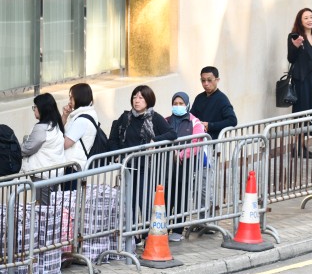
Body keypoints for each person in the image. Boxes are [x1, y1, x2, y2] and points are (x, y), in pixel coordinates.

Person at [108, 85, 176, 245]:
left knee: (143, 200)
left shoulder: (155, 118)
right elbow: (113, 138)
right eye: (134, 97)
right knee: (127, 201)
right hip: (127, 166)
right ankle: (131, 234)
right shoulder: (125, 118)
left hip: (145, 167)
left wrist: (155, 140)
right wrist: (117, 153)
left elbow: (172, 133)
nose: (136, 101)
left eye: (141, 98)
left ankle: (147, 233)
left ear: (148, 100)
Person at [164, 92, 205, 242]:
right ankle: (163, 227)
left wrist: (181, 155)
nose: (178, 106)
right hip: (166, 167)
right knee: (166, 197)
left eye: (181, 104)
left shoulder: (194, 122)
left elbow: (196, 143)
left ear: (187, 105)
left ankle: (178, 229)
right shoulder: (166, 120)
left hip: (185, 167)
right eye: (175, 103)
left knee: (181, 197)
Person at [21, 93, 66, 203]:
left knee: (43, 209)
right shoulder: (55, 125)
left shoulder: (41, 128)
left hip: (42, 174)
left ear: (42, 108)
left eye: (35, 107)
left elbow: (27, 148)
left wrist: (21, 146)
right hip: (55, 174)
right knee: (51, 207)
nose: (34, 109)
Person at [287, 8, 312, 114]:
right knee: (302, 110)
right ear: (300, 21)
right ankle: (301, 131)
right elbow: (290, 58)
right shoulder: (294, 36)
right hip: (301, 79)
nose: (309, 20)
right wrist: (295, 46)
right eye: (306, 18)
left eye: (311, 17)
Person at [61, 83, 100, 169]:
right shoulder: (85, 114)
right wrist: (65, 116)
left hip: (73, 166)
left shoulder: (82, 120)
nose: (69, 100)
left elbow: (65, 144)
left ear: (79, 97)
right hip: (74, 164)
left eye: (71, 97)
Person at [191, 66, 237, 139]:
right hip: (197, 142)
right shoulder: (199, 98)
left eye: (209, 80)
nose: (206, 84)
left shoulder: (222, 99)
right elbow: (191, 117)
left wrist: (210, 125)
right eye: (203, 80)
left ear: (217, 80)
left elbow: (232, 121)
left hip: (214, 143)